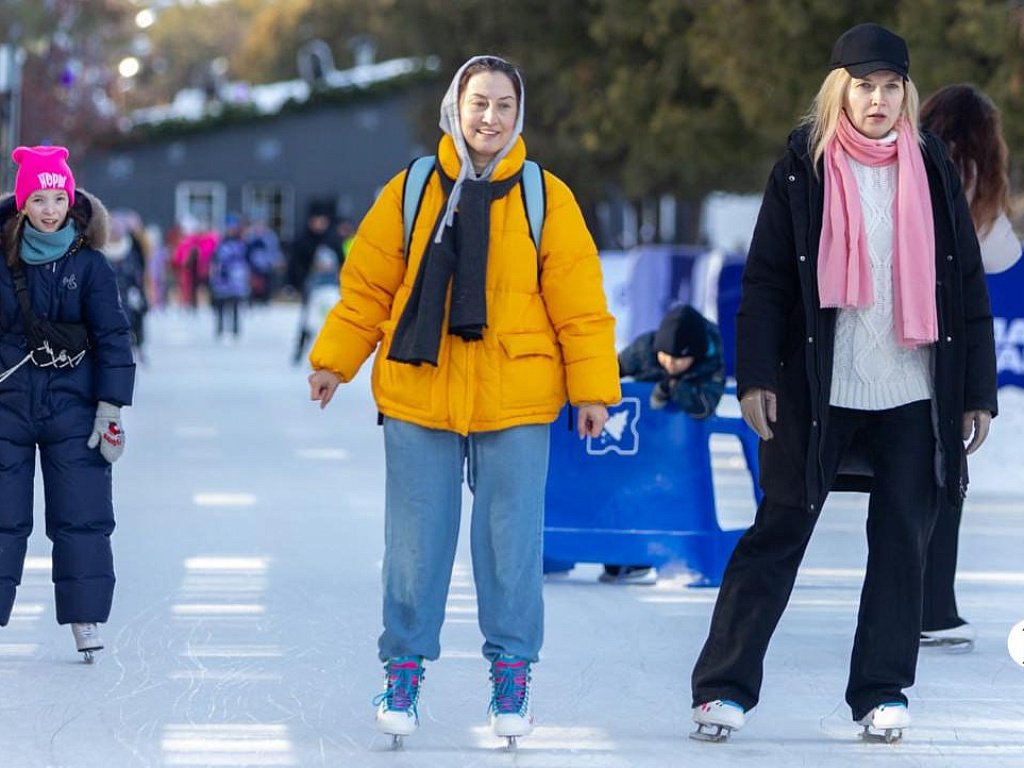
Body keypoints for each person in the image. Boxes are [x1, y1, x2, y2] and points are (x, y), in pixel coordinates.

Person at [689, 24, 997, 743]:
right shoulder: (805, 166)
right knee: (778, 532)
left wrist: (974, 390)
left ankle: (881, 691)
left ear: (906, 94)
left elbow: (965, 285)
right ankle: (723, 687)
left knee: (901, 544)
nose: (879, 100)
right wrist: (757, 377)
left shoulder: (931, 166)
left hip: (912, 390)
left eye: (892, 87)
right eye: (865, 86)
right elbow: (765, 282)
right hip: (817, 390)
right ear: (841, 90)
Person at [307, 55, 620, 746]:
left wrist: (593, 389)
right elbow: (368, 288)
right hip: (421, 388)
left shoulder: (545, 197)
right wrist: (335, 361)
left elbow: (580, 304)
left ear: (519, 114)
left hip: (518, 394)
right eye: (479, 103)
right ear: (456, 107)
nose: (491, 118)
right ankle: (404, 672)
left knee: (511, 545)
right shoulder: (414, 188)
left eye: (505, 105)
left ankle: (512, 674)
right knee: (415, 547)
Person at [0, 146, 135, 662]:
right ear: (23, 203)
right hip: (8, 407)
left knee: (82, 515)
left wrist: (111, 407)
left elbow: (113, 338)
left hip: (73, 409)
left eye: (59, 197)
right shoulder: (3, 261)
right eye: (39, 197)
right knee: (5, 516)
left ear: (72, 200)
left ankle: (85, 617)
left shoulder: (92, 267)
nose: (50, 208)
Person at [917, 84, 1021, 650]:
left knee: (900, 480)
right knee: (942, 475)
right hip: (945, 342)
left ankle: (902, 604)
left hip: (888, 334)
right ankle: (932, 609)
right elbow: (1000, 254)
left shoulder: (909, 156)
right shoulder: (973, 176)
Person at [601, 304, 725, 585]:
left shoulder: (710, 358)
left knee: (666, 499)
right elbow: (610, 371)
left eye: (679, 360)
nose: (670, 363)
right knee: (624, 493)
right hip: (639, 439)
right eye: (664, 357)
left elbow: (706, 404)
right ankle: (620, 556)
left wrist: (672, 388)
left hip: (679, 452)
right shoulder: (645, 348)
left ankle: (670, 558)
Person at [103, 211, 150, 363]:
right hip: (108, 297)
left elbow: (137, 271)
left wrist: (138, 291)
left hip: (128, 295)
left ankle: (136, 347)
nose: (114, 234)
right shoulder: (100, 249)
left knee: (134, 321)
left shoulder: (131, 248)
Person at [208, 213, 251, 340]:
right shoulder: (221, 243)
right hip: (223, 279)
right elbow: (215, 260)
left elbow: (246, 260)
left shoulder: (241, 243)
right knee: (221, 304)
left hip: (236, 279)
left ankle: (235, 330)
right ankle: (220, 329)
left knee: (235, 305)